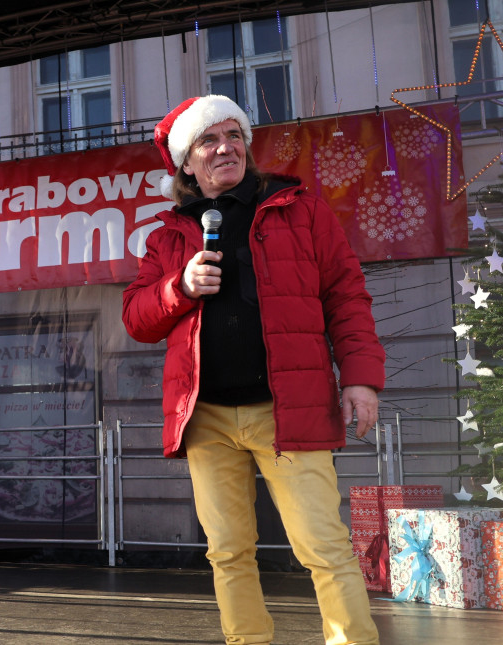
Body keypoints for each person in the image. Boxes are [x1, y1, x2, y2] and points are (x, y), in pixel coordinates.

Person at [122, 95, 384, 645]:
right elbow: (136, 318)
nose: (226, 148)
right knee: (228, 551)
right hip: (206, 418)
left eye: (234, 135)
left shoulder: (300, 210)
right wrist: (179, 287)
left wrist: (360, 379)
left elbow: (346, 296)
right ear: (186, 163)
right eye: (209, 140)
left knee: (323, 546)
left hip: (288, 408)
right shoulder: (167, 236)